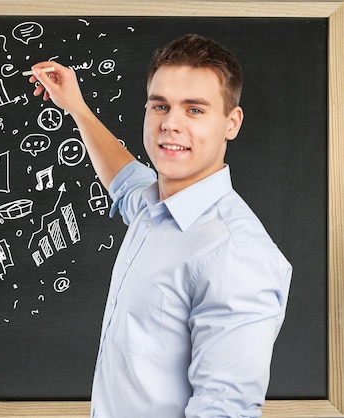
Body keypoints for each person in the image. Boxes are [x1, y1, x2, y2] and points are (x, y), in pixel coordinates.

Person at [28, 34, 292, 417]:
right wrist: (76, 107)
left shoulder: (236, 256)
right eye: (160, 106)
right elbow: (124, 178)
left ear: (231, 123)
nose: (170, 124)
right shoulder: (155, 208)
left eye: (195, 110)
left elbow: (223, 410)